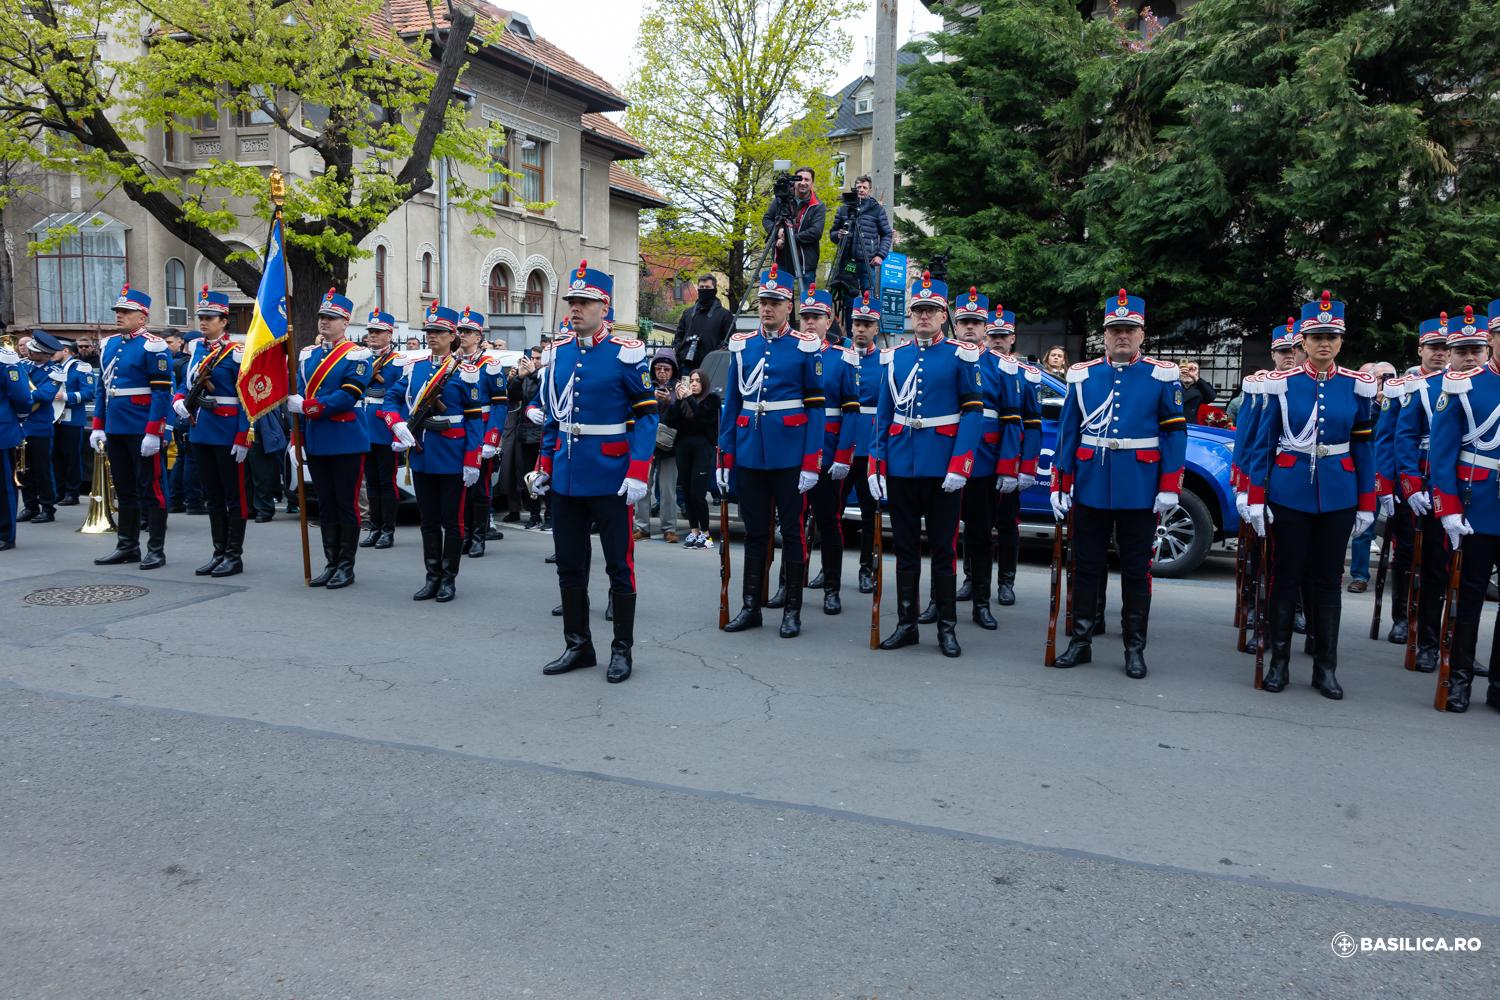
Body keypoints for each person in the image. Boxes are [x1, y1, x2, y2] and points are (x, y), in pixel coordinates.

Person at [1243, 291, 1376, 699]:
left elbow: (1363, 447)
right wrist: (1255, 496)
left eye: (1331, 337)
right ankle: (1280, 663)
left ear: (1340, 341)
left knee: (1326, 583)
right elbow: (1263, 445)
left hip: (1338, 494)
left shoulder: (1358, 387)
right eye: (1316, 336)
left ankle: (1325, 667)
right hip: (1289, 493)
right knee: (1285, 579)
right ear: (1302, 342)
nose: (1324, 343)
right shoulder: (1280, 386)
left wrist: (1367, 501)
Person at [531, 261, 658, 683]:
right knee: (569, 565)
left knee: (618, 567)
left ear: (605, 307)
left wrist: (638, 471)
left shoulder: (626, 353)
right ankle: (578, 645)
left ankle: (622, 650)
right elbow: (554, 419)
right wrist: (545, 465)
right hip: (567, 477)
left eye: (585, 302)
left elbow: (647, 417)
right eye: (572, 301)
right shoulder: (558, 353)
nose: (576, 309)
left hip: (611, 477)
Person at [1050, 289, 1187, 678]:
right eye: (1115, 330)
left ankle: (1134, 647)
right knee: (1086, 566)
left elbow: (1175, 435)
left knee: (1135, 570)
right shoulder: (1083, 375)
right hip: (1092, 481)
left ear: (1142, 334)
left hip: (1140, 486)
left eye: (1129, 329)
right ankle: (1080, 641)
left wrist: (1169, 485)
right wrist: (1061, 482)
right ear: (1104, 335)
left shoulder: (1161, 376)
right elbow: (1068, 433)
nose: (1122, 336)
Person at [868, 270, 983, 658]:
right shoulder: (895, 357)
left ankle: (947, 629)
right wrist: (876, 465)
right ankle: (906, 624)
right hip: (901, 465)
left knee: (944, 552)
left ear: (943, 315)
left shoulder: (959, 354)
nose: (923, 316)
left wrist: (960, 464)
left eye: (931, 310)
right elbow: (883, 417)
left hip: (942, 467)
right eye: (918, 309)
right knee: (903, 550)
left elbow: (973, 414)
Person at [717, 265, 826, 638]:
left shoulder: (803, 346)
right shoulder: (743, 345)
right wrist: (725, 457)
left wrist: (811, 461)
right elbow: (731, 405)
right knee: (755, 532)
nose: (767, 308)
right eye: (763, 301)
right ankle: (750, 605)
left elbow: (815, 407)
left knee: (793, 534)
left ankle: (792, 610)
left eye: (775, 302)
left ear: (788, 305)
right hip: (750, 452)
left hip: (790, 455)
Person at [386, 303, 482, 602]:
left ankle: (449, 578)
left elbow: (475, 418)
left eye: (438, 332)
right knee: (427, 520)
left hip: (452, 454)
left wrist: (472, 459)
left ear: (452, 335)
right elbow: (391, 397)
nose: (432, 336)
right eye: (429, 331)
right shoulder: (415, 367)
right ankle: (432, 576)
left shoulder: (465, 371)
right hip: (422, 451)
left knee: (451, 521)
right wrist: (397, 423)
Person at [1428, 302, 1497, 712]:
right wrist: (1449, 509)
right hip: (1478, 505)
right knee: (1468, 598)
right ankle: (1459, 679)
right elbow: (1442, 453)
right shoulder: (1463, 384)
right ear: (1494, 339)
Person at [289, 288, 373, 589]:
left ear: (345, 322)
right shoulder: (307, 354)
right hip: (316, 437)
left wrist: (310, 407)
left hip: (346, 438)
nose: (324, 322)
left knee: (346, 504)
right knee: (325, 504)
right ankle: (331, 562)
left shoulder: (358, 354)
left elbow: (349, 394)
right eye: (322, 317)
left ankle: (346, 567)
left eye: (331, 318)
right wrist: (295, 438)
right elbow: (297, 394)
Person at [91, 286, 173, 568]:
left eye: (126, 312)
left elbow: (162, 392)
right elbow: (103, 388)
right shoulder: (109, 344)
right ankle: (127, 545)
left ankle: (156, 549)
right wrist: (98, 425)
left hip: (141, 428)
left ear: (143, 317)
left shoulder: (154, 345)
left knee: (152, 489)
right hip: (116, 426)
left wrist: (154, 431)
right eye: (118, 311)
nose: (120, 316)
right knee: (124, 490)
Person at [173, 288, 252, 577]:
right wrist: (179, 400)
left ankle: (234, 554)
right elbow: (185, 383)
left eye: (210, 317)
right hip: (201, 430)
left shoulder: (238, 353)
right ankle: (219, 551)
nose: (204, 322)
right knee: (213, 496)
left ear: (224, 320)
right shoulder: (197, 350)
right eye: (201, 317)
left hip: (228, 431)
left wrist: (244, 434)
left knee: (234, 496)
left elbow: (247, 398)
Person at [1392, 314, 1453, 671]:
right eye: (1435, 347)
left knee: (1444, 568)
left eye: (1448, 348)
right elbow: (1393, 436)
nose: (1442, 354)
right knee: (1409, 554)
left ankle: (1451, 639)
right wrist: (1396, 484)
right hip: (1419, 482)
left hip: (1458, 484)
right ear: (1421, 349)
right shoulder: (1412, 387)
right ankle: (1405, 618)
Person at [798, 283, 858, 614]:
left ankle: (831, 588)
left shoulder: (841, 359)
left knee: (828, 521)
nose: (809, 322)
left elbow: (851, 411)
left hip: (827, 452)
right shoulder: (790, 351)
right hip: (794, 453)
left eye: (816, 317)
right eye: (805, 316)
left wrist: (843, 457)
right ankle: (789, 584)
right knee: (792, 523)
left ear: (829, 319)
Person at [987, 306, 1042, 607]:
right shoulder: (975, 367)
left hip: (1011, 460)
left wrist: (1027, 467)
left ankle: (1006, 581)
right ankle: (972, 577)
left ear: (1012, 339)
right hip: (981, 457)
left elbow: (1033, 424)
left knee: (1008, 523)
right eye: (992, 335)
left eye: (1002, 336)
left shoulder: (1027, 375)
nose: (996, 341)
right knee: (975, 522)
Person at [456, 306, 507, 557]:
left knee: (480, 488)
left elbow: (500, 404)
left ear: (478, 336)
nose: (462, 335)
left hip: (482, 432)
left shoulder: (491, 365)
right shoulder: (453, 362)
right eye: (460, 331)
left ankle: (479, 535)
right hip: (459, 433)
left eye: (468, 332)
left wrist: (491, 439)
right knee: (460, 486)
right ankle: (464, 534)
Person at [1346, 360, 1397, 592]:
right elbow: (1365, 435)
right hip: (1370, 473)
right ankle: (1359, 574)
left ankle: (1401, 569)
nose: (1385, 382)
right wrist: (1377, 403)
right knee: (1364, 526)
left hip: (1394, 473)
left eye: (1390, 377)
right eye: (1381, 378)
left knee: (1403, 529)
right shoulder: (1366, 403)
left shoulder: (1403, 401)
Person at [845, 292, 883, 595]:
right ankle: (826, 567)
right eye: (857, 322)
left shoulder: (885, 361)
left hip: (869, 450)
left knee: (870, 516)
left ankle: (866, 569)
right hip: (840, 449)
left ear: (875, 327)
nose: (860, 328)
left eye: (866, 324)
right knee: (828, 513)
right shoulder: (838, 357)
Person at [669, 369, 720, 548]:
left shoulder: (711, 399)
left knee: (698, 493)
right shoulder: (684, 401)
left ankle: (706, 534)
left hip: (703, 449)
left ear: (704, 383)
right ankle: (693, 531)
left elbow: (703, 419)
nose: (693, 384)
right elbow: (673, 421)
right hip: (684, 447)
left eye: (697, 381)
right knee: (688, 492)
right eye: (691, 380)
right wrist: (678, 400)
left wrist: (689, 398)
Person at [635, 347, 682, 542]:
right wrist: (652, 400)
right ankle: (642, 527)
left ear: (673, 371)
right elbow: (636, 411)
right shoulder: (645, 387)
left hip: (670, 447)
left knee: (668, 490)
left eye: (666, 369)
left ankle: (669, 528)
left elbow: (685, 416)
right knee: (642, 488)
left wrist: (671, 401)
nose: (662, 373)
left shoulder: (680, 388)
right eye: (659, 369)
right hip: (647, 444)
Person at [18, 332, 65, 524]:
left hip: (39, 426)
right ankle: (30, 506)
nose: (29, 352)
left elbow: (46, 395)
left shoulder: (56, 371)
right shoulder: (23, 365)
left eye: (34, 351)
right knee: (23, 469)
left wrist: (23, 396)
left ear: (46, 354)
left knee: (43, 469)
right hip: (20, 425)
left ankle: (47, 507)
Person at [760, 166, 825, 298]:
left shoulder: (818, 205)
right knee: (780, 299)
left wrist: (790, 238)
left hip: (805, 262)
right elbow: (767, 219)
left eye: (807, 179)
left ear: (812, 183)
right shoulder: (782, 200)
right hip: (783, 259)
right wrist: (778, 233)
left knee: (806, 301)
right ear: (794, 181)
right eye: (799, 179)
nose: (803, 182)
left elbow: (816, 232)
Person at [829, 175, 894, 294]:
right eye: (859, 187)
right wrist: (838, 235)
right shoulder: (843, 209)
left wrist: (880, 255)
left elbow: (887, 234)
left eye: (864, 187)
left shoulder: (877, 210)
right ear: (854, 188)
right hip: (847, 260)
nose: (861, 190)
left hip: (868, 261)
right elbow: (832, 233)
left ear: (870, 190)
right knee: (847, 296)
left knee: (868, 296)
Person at [165, 330, 206, 515]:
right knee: (191, 460)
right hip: (188, 414)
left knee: (182, 459)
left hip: (178, 415)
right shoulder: (189, 365)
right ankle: (194, 501)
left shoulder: (176, 362)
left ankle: (175, 500)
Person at [52, 340, 95, 506]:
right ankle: (59, 490)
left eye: (53, 351)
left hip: (71, 419)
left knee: (72, 457)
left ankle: (72, 492)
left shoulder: (81, 367)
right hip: (54, 418)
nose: (50, 355)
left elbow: (88, 392)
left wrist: (66, 396)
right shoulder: (54, 368)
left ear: (65, 351)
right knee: (56, 457)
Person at [0, 337, 32, 549]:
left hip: (1, 429)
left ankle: (4, 533)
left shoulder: (6, 359)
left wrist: (19, 417)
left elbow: (20, 394)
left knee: (2, 486)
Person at [671, 275, 734, 374]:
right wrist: (682, 352)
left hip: (713, 366)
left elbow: (730, 340)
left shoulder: (725, 315)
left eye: (707, 287)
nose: (704, 290)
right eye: (701, 287)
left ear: (715, 290)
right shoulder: (687, 313)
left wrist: (716, 354)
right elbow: (678, 337)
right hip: (687, 365)